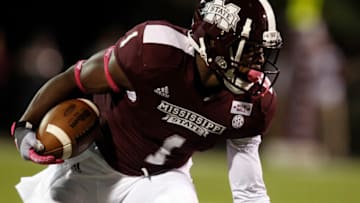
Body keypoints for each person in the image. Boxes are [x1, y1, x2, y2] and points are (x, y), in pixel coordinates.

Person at [11, 0, 283, 202]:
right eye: (249, 50)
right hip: (94, 161)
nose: (258, 63)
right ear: (215, 43)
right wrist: (26, 125)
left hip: (160, 178)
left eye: (261, 52)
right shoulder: (153, 53)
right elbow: (75, 79)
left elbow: (249, 192)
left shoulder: (254, 102)